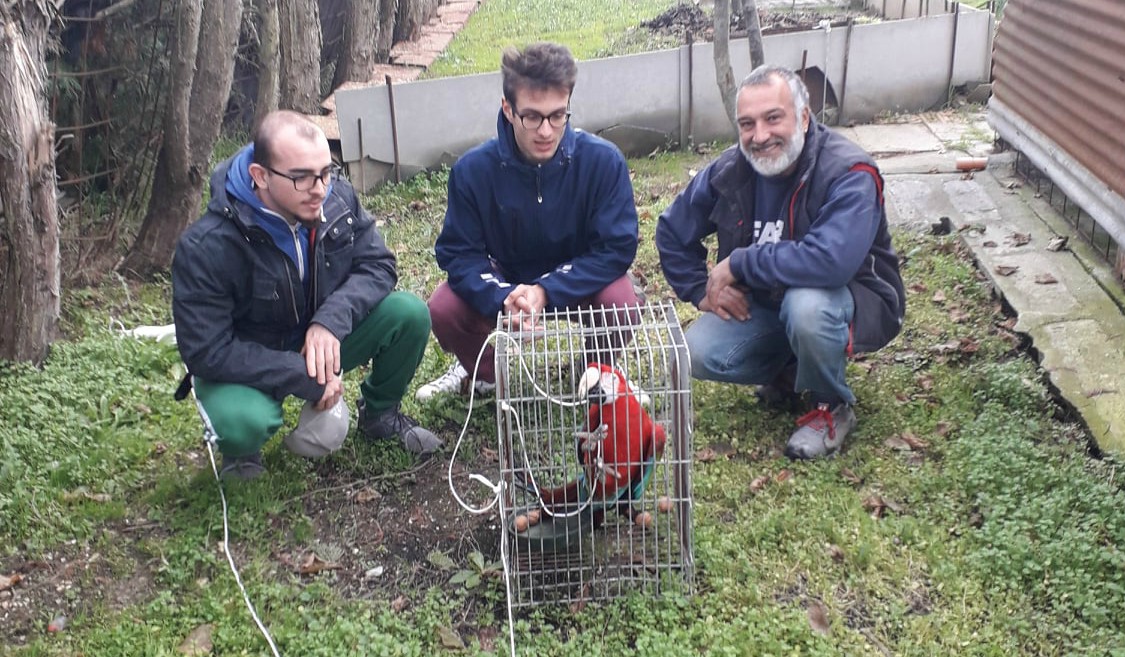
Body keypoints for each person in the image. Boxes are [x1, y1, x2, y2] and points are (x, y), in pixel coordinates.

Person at [172, 110, 441, 480]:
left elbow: (378, 265)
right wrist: (300, 374)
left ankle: (380, 414)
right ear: (260, 176)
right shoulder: (207, 246)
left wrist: (330, 321)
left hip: (320, 340)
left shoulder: (335, 199)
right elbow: (207, 350)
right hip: (251, 359)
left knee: (408, 314)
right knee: (241, 420)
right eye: (302, 177)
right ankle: (242, 453)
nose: (319, 188)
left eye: (326, 172)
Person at [655, 65, 905, 459]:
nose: (760, 136)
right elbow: (671, 230)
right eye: (747, 124)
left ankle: (830, 406)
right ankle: (790, 370)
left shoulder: (849, 171)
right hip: (769, 303)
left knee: (806, 306)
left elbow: (831, 262)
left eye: (774, 118)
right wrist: (698, 292)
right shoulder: (729, 169)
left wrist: (740, 262)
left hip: (852, 301)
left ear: (804, 117)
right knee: (698, 351)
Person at [416, 42, 641, 401]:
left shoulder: (603, 162)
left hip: (577, 278)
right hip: (505, 279)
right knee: (444, 306)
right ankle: (485, 374)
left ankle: (595, 374)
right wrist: (504, 297)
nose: (546, 131)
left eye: (557, 115)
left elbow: (616, 249)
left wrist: (546, 290)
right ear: (508, 109)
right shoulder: (472, 171)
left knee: (622, 300)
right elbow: (459, 255)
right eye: (532, 116)